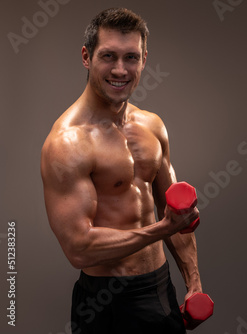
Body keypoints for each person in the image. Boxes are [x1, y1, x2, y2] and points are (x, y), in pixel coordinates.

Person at [40, 8, 203, 334]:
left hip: (159, 288)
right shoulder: (67, 143)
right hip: (104, 303)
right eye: (108, 56)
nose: (120, 69)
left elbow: (175, 210)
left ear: (144, 59)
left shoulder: (152, 126)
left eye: (131, 57)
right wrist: (161, 230)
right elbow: (78, 248)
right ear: (86, 57)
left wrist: (193, 282)